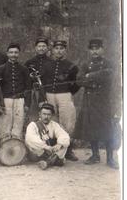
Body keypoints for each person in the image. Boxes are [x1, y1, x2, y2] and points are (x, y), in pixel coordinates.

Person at [75, 39, 119, 169]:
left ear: (102, 49)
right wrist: (92, 81)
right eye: (92, 49)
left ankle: (110, 158)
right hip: (89, 101)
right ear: (89, 50)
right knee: (91, 127)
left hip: (103, 101)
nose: (94, 51)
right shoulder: (85, 64)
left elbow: (108, 75)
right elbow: (79, 80)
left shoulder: (108, 63)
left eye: (97, 48)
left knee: (107, 128)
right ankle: (95, 155)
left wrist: (89, 76)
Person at [42, 40, 80, 161]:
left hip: (64, 95)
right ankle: (52, 149)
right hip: (50, 95)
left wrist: (68, 93)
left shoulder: (71, 66)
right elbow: (43, 81)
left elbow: (76, 83)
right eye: (56, 48)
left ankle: (68, 150)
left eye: (61, 48)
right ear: (52, 50)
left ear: (65, 50)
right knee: (51, 122)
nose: (59, 51)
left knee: (67, 122)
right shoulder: (47, 65)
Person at [0, 43, 31, 138]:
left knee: (18, 124)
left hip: (20, 100)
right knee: (4, 126)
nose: (13, 55)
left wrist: (27, 104)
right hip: (5, 101)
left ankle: (17, 149)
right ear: (7, 53)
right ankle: (4, 147)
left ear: (19, 54)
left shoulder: (24, 69)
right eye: (11, 52)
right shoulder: (1, 69)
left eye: (16, 52)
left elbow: (28, 88)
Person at [25, 103, 70, 170]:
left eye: (48, 114)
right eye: (44, 114)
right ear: (39, 114)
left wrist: (59, 144)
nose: (46, 117)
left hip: (50, 151)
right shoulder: (33, 125)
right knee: (31, 142)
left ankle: (47, 163)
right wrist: (46, 147)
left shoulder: (54, 125)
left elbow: (63, 135)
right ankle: (56, 160)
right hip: (39, 152)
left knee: (64, 143)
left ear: (52, 115)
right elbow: (31, 139)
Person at [24, 37, 52, 110]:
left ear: (47, 48)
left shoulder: (52, 62)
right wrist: (29, 77)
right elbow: (24, 77)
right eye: (39, 46)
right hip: (33, 91)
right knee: (33, 115)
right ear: (36, 48)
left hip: (47, 92)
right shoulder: (29, 62)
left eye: (43, 46)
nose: (41, 48)